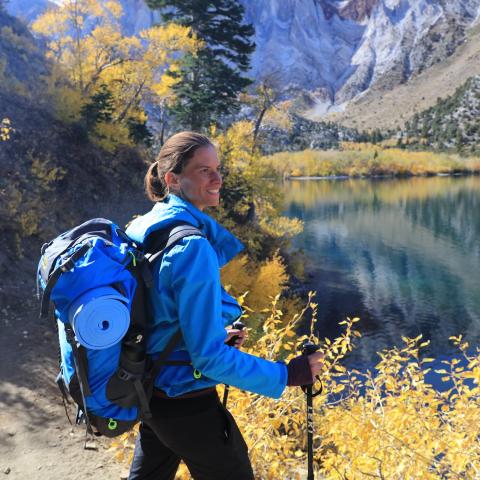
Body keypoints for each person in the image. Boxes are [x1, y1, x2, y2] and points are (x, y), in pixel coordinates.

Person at [126, 131, 324, 480]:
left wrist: (215, 333)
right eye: (204, 171)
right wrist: (286, 374)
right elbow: (208, 359)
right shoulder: (192, 246)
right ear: (173, 178)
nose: (217, 179)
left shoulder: (143, 226)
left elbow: (158, 315)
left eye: (217, 169)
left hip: (150, 391)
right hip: (186, 402)